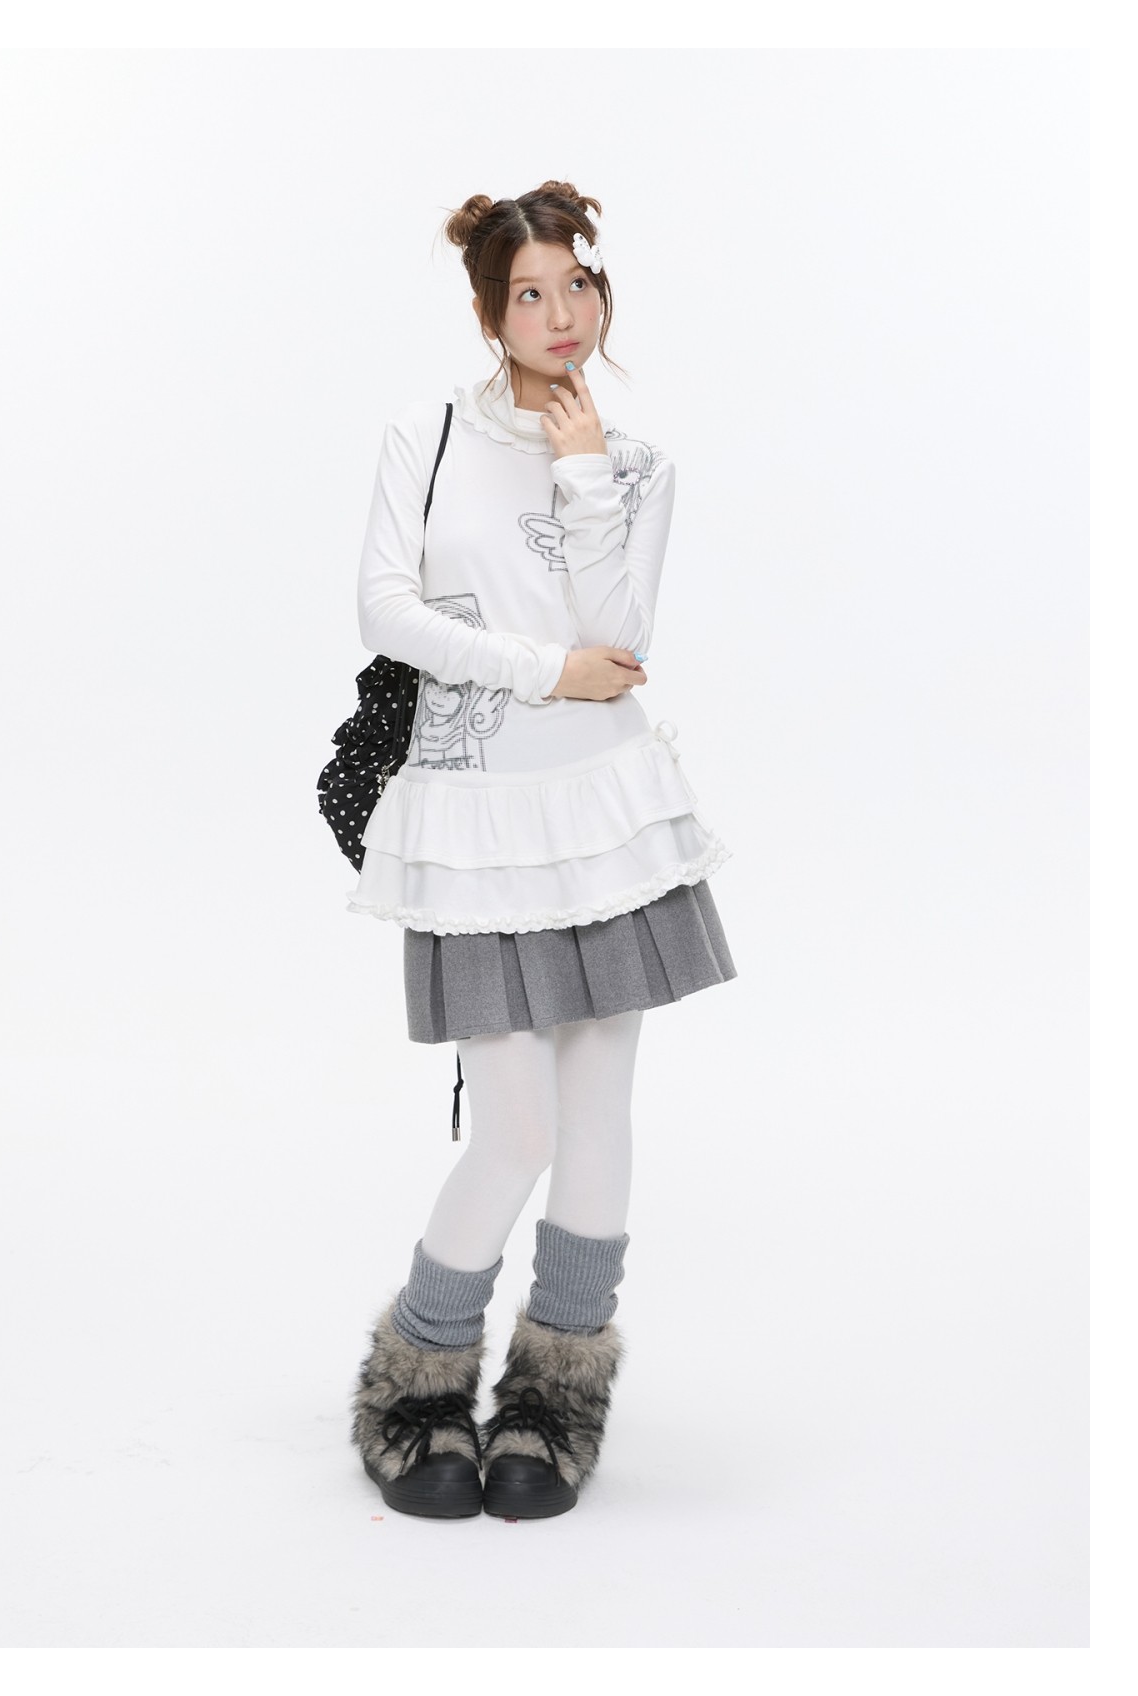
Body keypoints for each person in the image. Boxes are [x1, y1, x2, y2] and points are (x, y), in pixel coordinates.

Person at [346, 181, 738, 1521]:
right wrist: (544, 670)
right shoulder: (427, 435)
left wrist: (581, 474)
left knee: (597, 1112)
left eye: (581, 286)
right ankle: (416, 1378)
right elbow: (386, 610)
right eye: (531, 292)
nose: (561, 315)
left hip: (605, 812)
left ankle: (556, 1395)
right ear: (489, 311)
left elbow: (621, 638)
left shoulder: (637, 466)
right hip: (472, 823)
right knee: (513, 1125)